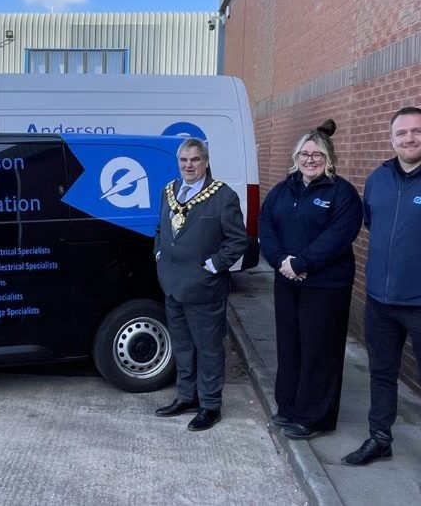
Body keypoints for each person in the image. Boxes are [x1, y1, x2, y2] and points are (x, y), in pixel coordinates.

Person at [259, 120, 362, 440]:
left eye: (317, 155)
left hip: (326, 286)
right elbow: (266, 225)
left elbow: (338, 236)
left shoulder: (342, 193)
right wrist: (281, 262)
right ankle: (289, 407)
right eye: (304, 154)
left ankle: (314, 418)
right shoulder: (282, 190)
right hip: (287, 282)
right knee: (290, 346)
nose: (310, 160)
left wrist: (301, 263)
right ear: (296, 157)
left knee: (319, 351)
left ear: (328, 158)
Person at [342, 106, 421, 465]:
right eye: (401, 133)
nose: (409, 138)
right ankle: (379, 438)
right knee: (382, 374)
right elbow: (374, 224)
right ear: (391, 139)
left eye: (416, 131)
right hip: (379, 301)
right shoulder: (378, 179)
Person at [153, 138, 247, 431]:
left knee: (208, 349)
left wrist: (213, 266)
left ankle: (210, 405)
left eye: (195, 160)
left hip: (205, 288)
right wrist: (159, 254)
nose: (189, 165)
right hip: (173, 285)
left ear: (205, 162)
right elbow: (160, 230)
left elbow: (237, 240)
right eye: (184, 160)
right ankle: (186, 396)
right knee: (182, 346)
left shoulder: (223, 196)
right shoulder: (169, 191)